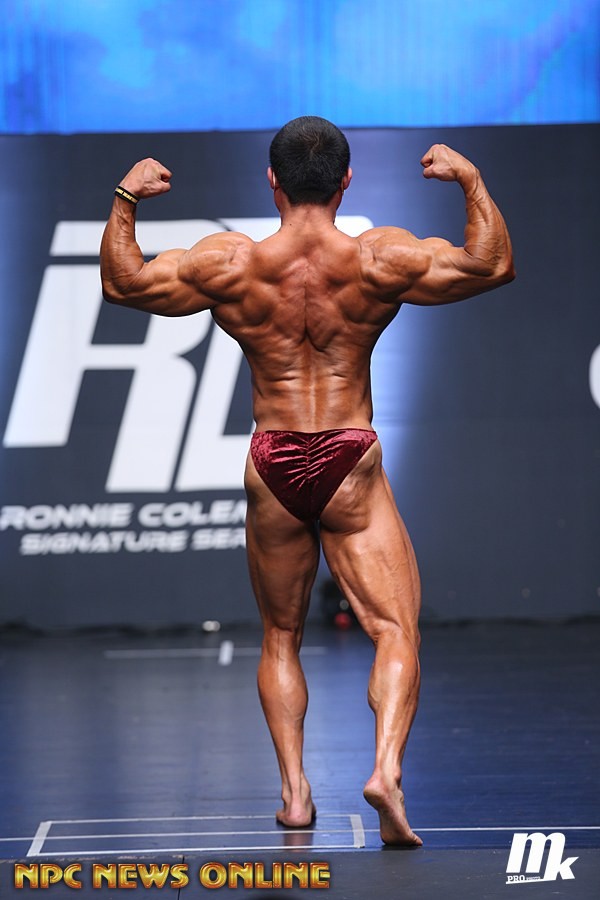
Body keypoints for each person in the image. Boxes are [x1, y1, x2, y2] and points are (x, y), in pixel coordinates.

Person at [100, 116, 514, 846]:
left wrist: (126, 197)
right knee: (394, 629)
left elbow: (122, 282)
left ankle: (295, 796)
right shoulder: (379, 257)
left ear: (273, 180)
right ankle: (385, 771)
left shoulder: (232, 263)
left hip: (273, 459)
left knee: (281, 635)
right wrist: (472, 181)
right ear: (347, 180)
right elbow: (492, 264)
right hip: (349, 456)